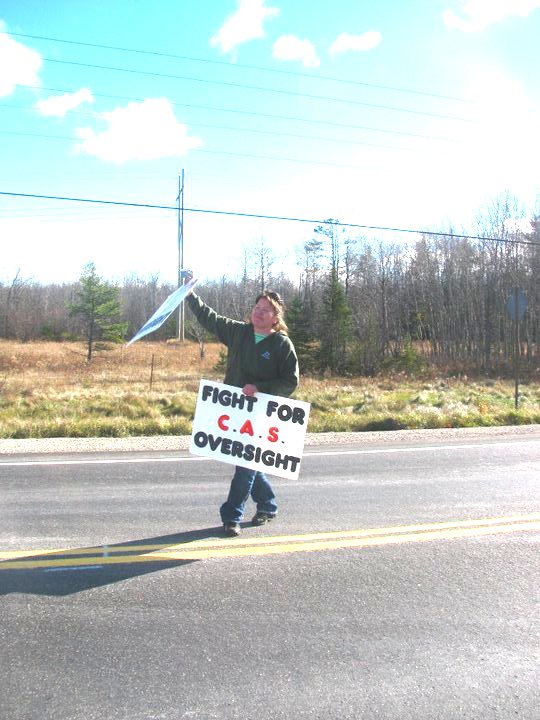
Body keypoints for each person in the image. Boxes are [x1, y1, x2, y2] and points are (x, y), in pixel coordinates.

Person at [185, 279, 299, 537]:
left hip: (261, 414)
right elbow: (210, 318)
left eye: (265, 310)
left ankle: (231, 516)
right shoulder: (238, 333)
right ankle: (268, 505)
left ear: (275, 317)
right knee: (246, 460)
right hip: (234, 411)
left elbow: (290, 381)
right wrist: (190, 294)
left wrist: (260, 388)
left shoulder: (282, 345)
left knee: (245, 463)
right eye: (256, 307)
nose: (259, 312)